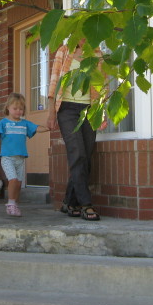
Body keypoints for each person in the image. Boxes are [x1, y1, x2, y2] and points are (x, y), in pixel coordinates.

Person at [47, 38, 106, 221]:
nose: (83, 36)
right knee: (77, 153)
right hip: (67, 109)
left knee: (85, 157)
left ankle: (69, 202)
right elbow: (54, 84)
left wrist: (101, 113)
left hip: (89, 109)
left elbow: (102, 85)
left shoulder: (97, 54)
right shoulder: (64, 51)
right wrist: (51, 113)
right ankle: (85, 204)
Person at [0, 93, 48, 217]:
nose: (18, 111)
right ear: (8, 108)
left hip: (20, 159)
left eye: (21, 109)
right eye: (15, 108)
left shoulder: (25, 123)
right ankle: (10, 204)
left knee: (18, 184)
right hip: (7, 158)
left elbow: (37, 128)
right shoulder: (3, 123)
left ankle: (15, 204)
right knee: (13, 180)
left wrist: (48, 128)